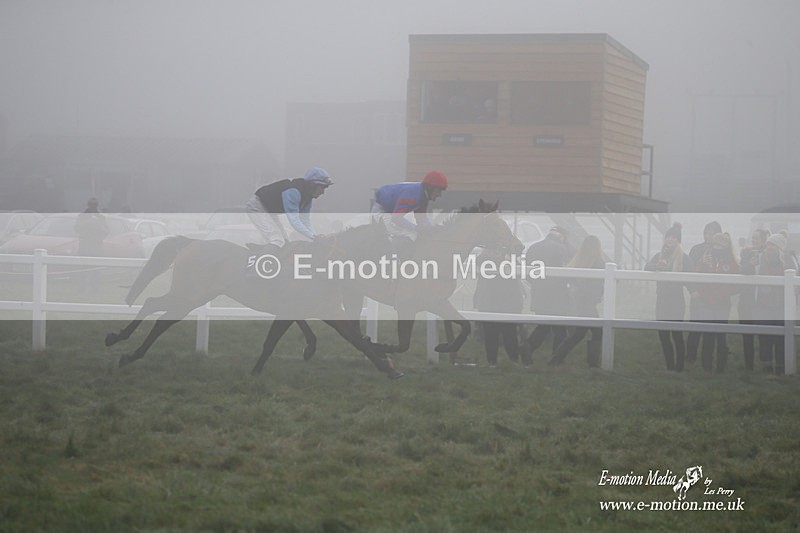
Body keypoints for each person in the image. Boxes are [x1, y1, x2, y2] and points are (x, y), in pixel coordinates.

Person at [519, 226, 573, 365]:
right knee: (560, 330)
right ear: (562, 237)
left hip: (539, 293)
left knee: (544, 325)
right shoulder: (562, 249)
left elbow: (528, 274)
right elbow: (567, 272)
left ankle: (528, 347)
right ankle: (556, 359)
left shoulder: (533, 248)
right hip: (558, 294)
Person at [548, 235, 605, 368]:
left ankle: (556, 359)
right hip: (589, 302)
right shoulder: (598, 261)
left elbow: (572, 278)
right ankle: (592, 364)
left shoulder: (581, 260)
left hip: (582, 300)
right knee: (596, 332)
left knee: (579, 334)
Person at [644, 223, 693, 372]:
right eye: (668, 237)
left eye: (673, 237)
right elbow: (647, 267)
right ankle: (670, 366)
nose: (670, 240)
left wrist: (695, 292)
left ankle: (679, 367)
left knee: (676, 334)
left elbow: (690, 278)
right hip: (662, 300)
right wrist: (657, 267)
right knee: (663, 334)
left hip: (676, 300)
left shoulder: (684, 258)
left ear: (679, 240)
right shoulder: (659, 256)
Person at [245, 167, 334, 248]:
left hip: (268, 210)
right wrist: (313, 237)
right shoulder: (293, 192)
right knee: (277, 240)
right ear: (312, 185)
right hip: (256, 207)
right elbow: (294, 222)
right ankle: (258, 259)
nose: (323, 192)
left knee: (285, 241)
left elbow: (305, 222)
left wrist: (316, 236)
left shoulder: (308, 197)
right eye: (322, 187)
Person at [695, 232, 739, 373]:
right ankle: (706, 367)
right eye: (715, 244)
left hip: (722, 303)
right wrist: (702, 264)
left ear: (727, 247)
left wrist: (724, 292)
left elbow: (737, 284)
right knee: (707, 335)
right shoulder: (705, 258)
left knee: (721, 335)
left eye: (721, 245)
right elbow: (696, 277)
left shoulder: (732, 263)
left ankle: (721, 366)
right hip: (705, 301)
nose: (717, 247)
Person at [473, 248, 524, 367]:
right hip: (491, 302)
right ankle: (493, 361)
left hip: (506, 303)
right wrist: (502, 259)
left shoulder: (510, 259)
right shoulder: (483, 259)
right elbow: (480, 261)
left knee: (509, 333)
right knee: (492, 334)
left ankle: (512, 360)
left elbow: (519, 270)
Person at [686, 220, 724, 362]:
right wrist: (692, 291)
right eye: (705, 233)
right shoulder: (696, 250)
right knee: (695, 327)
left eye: (711, 233)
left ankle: (707, 360)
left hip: (714, 297)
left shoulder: (723, 252)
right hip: (698, 295)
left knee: (710, 331)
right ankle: (690, 358)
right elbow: (688, 272)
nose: (707, 236)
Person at [371, 170, 448, 241]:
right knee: (411, 235)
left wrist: (431, 228)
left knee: (414, 234)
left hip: (391, 211)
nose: (439, 195)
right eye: (438, 191)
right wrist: (415, 228)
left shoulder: (424, 196)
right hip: (381, 210)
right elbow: (396, 218)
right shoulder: (413, 195)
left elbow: (421, 219)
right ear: (430, 187)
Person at [755, 232, 790, 374]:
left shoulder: (789, 261)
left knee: (781, 337)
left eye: (773, 245)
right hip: (763, 305)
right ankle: (766, 367)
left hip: (782, 305)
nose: (769, 247)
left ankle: (781, 366)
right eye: (768, 244)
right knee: (765, 336)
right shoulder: (759, 259)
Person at [738, 228, 770, 370]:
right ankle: (749, 365)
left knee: (764, 335)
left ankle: (766, 365)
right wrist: (750, 264)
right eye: (753, 237)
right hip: (747, 301)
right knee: (747, 335)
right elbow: (742, 271)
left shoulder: (769, 255)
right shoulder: (746, 254)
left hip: (763, 302)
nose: (753, 240)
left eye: (756, 237)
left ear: (763, 240)